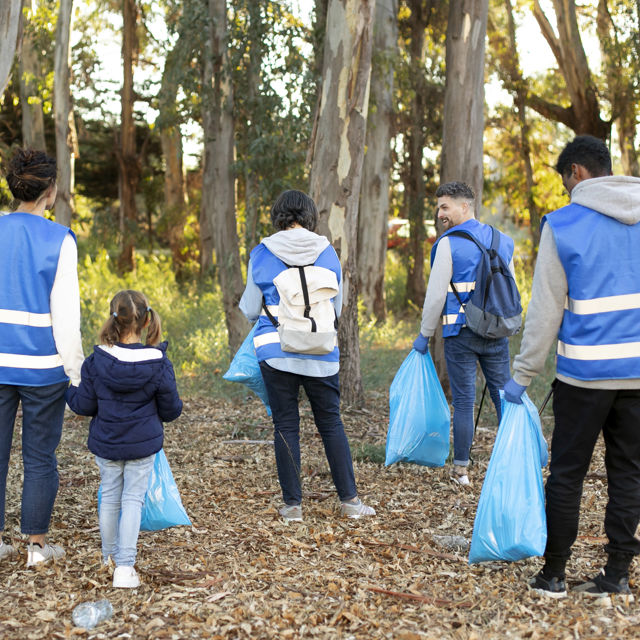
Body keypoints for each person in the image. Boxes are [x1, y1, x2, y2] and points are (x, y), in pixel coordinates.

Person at [505, 135, 640, 600]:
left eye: (566, 181)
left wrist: (522, 375)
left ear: (577, 173)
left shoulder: (564, 225)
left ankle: (554, 575)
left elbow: (545, 312)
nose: (566, 191)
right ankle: (617, 574)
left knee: (567, 473)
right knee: (629, 473)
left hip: (584, 378)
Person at [239, 189, 375, 522]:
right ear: (312, 217)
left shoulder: (261, 252)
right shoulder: (328, 253)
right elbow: (337, 306)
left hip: (276, 350)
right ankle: (351, 503)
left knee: (285, 425)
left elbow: (249, 308)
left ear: (278, 216)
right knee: (330, 423)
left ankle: (293, 507)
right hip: (321, 349)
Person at [0, 148, 84, 567]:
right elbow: (67, 317)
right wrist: (77, 373)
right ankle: (36, 547)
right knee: (38, 457)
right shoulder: (60, 240)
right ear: (50, 191)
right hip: (44, 370)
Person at [66, 290, 182, 588]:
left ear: (114, 319)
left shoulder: (96, 361)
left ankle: (108, 558)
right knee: (132, 499)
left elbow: (83, 405)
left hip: (107, 443)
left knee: (110, 497)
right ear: (146, 322)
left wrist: (67, 388)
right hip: (142, 445)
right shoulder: (158, 363)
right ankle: (125, 568)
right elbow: (171, 411)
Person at [413, 181, 516, 486]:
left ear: (464, 207)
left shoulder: (448, 243)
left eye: (445, 207)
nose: (440, 213)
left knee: (464, 400)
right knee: (505, 400)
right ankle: (515, 463)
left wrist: (424, 335)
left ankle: (461, 471)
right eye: (439, 207)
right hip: (497, 331)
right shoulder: (502, 240)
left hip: (460, 331)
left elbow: (435, 297)